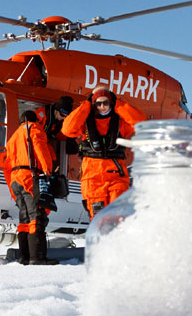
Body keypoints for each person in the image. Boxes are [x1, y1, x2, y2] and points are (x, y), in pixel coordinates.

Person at [61, 86, 147, 218]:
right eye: (98, 103)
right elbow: (67, 129)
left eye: (106, 103)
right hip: (93, 180)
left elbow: (141, 122)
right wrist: (86, 105)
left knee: (118, 218)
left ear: (111, 103)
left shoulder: (120, 124)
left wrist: (119, 104)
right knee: (99, 220)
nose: (102, 106)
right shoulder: (85, 124)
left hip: (116, 178)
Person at [1, 110, 58, 265]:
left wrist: (12, 189)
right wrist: (47, 171)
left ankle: (24, 256)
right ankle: (37, 257)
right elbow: (40, 148)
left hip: (15, 179)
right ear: (35, 121)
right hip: (29, 177)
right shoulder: (34, 129)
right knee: (36, 216)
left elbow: (6, 166)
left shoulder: (13, 138)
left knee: (24, 219)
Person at [35, 95, 77, 174]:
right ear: (56, 110)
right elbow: (30, 126)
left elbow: (61, 135)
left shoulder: (60, 123)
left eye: (66, 117)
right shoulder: (42, 113)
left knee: (53, 157)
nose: (63, 118)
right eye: (62, 115)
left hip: (45, 144)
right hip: (36, 143)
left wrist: (70, 139)